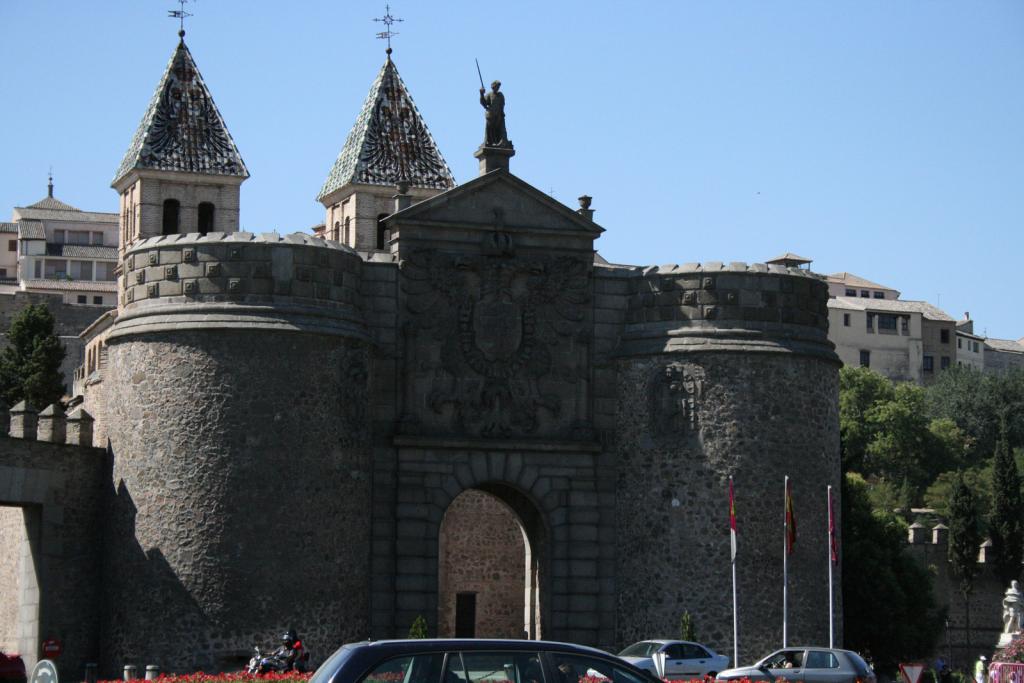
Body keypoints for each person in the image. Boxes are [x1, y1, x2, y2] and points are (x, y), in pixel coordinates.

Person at [479, 80, 509, 148]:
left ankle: (500, 142)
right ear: (493, 87)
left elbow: (502, 105)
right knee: (490, 131)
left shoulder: (501, 95)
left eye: (498, 87)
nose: (497, 88)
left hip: (498, 116)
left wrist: (501, 113)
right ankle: (491, 142)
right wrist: (481, 94)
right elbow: (484, 102)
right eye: (496, 86)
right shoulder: (489, 94)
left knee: (499, 131)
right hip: (491, 116)